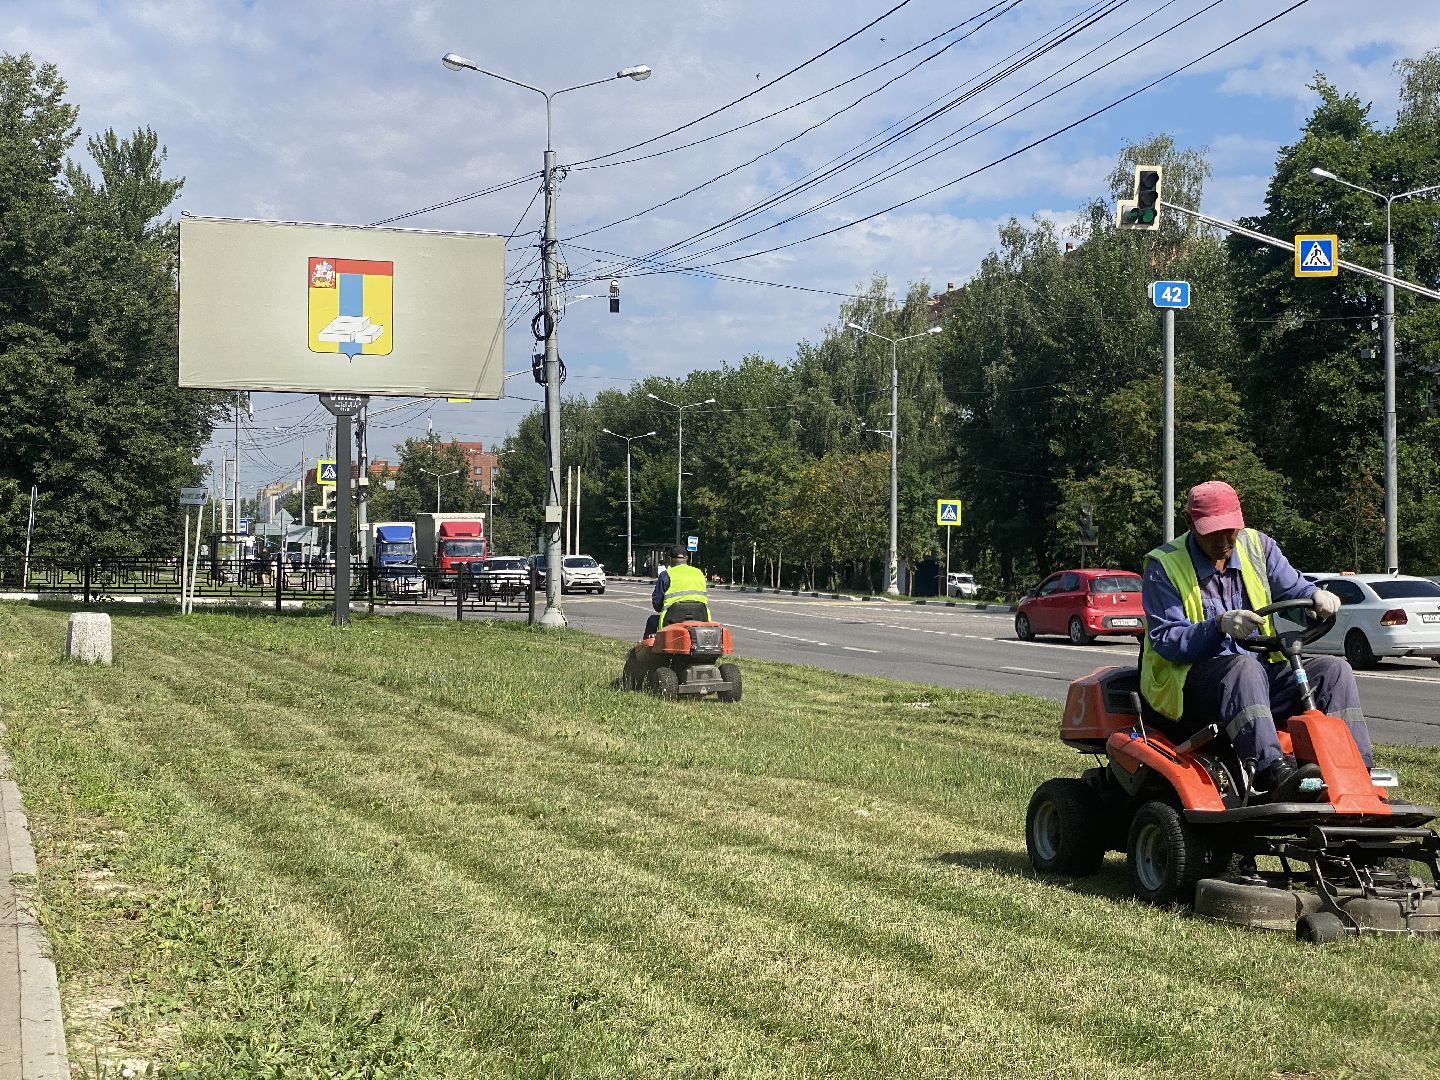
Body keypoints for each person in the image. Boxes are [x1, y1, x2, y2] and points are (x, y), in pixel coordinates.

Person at [1140, 480, 1375, 803]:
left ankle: (1357, 771)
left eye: (1231, 530)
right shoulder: (1163, 566)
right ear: (1190, 524)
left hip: (1256, 680)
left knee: (1333, 670)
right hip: (1192, 690)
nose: (1224, 541)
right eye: (1213, 532)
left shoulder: (1258, 547)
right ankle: (1272, 771)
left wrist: (1316, 599)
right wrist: (1218, 626)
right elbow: (1167, 640)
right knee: (1242, 667)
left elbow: (1295, 591)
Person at [643, 546, 711, 638]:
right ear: (687, 558)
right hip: (701, 620)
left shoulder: (666, 575)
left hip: (671, 622)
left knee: (652, 621)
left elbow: (657, 605)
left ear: (670, 559)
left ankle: (647, 652)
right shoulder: (699, 574)